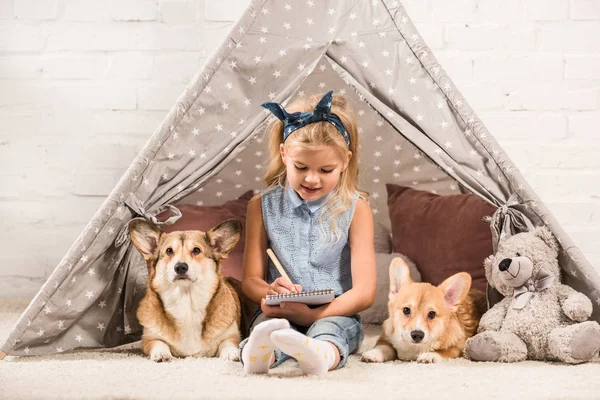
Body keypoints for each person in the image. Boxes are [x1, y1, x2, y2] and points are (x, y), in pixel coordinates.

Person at [238, 91, 376, 375]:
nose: (312, 179)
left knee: (329, 331)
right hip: (280, 310)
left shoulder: (356, 209)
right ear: (284, 154)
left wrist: (315, 314)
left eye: (326, 170)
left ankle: (320, 355)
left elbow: (365, 292)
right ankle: (258, 356)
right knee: (268, 328)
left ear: (346, 162)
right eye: (301, 167)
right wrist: (269, 292)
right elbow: (250, 280)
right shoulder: (260, 207)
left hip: (335, 311)